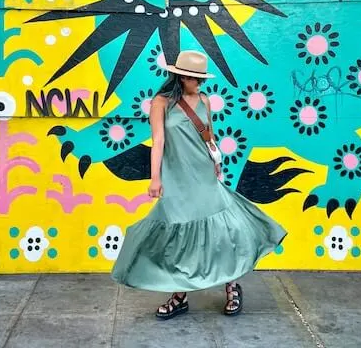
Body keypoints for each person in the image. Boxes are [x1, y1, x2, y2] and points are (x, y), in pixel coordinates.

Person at [111, 50, 287, 319]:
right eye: (195, 78)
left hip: (204, 175)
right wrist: (155, 178)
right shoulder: (161, 103)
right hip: (176, 177)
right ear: (181, 76)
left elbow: (210, 136)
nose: (199, 83)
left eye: (201, 78)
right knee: (178, 237)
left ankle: (232, 287)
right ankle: (180, 295)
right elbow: (158, 141)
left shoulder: (204, 100)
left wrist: (216, 163)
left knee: (223, 232)